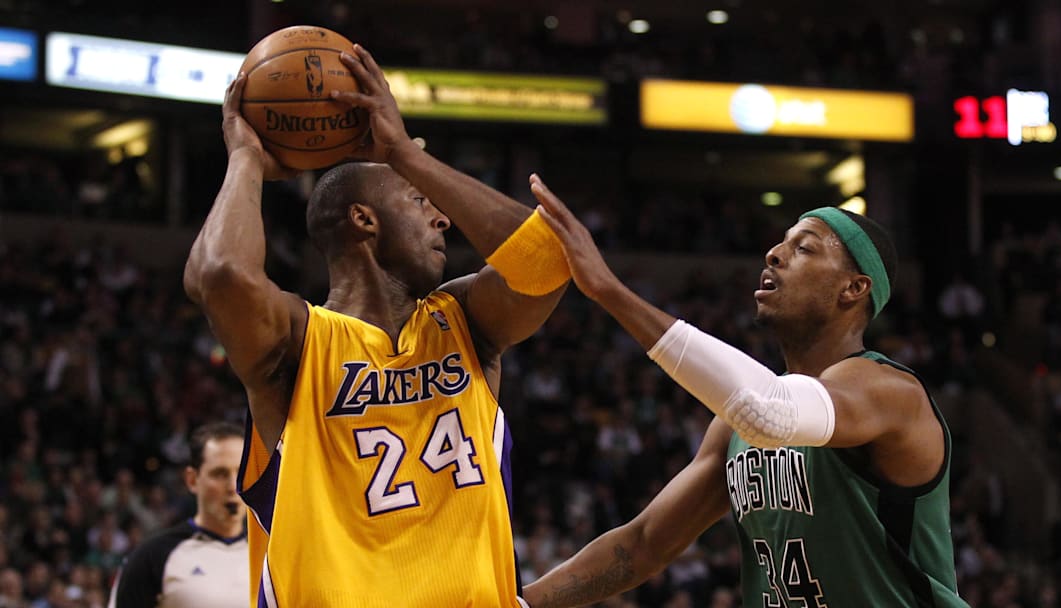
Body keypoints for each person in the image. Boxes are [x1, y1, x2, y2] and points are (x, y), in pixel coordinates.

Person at [183, 44, 569, 607]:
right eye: (419, 201)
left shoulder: (464, 323)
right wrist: (246, 157)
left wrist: (406, 157)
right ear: (363, 219)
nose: (442, 217)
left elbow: (547, 260)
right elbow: (218, 273)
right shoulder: (298, 343)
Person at [522, 176, 969, 607]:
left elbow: (772, 410)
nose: (774, 254)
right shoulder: (736, 426)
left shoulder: (891, 391)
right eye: (781, 243)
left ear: (853, 289)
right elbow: (642, 545)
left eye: (804, 248)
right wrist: (517, 603)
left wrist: (608, 290)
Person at [107, 422, 247, 608]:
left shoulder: (272, 555)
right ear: (192, 480)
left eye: (242, 473)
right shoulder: (152, 557)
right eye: (220, 474)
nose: (232, 486)